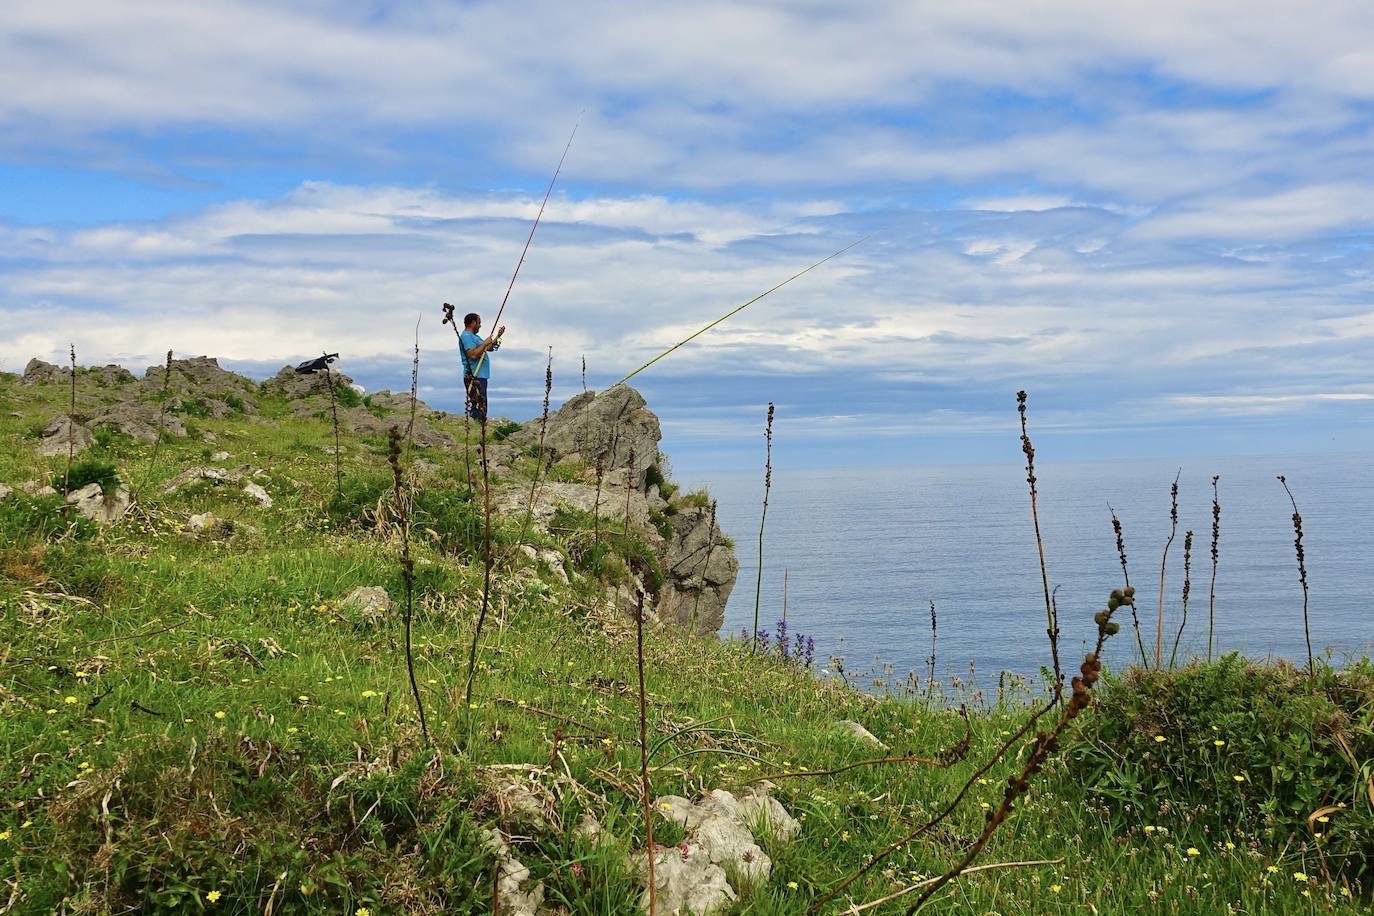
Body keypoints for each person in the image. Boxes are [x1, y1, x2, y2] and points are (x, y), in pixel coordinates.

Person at [459, 312, 505, 421]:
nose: (480, 325)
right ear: (473, 323)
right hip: (474, 376)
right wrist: (484, 344)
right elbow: (473, 354)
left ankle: (479, 427)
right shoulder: (466, 336)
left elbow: (489, 348)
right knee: (478, 406)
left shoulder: (475, 337)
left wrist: (498, 336)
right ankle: (476, 427)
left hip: (481, 376)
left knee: (482, 406)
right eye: (479, 322)